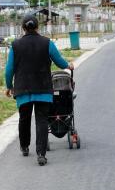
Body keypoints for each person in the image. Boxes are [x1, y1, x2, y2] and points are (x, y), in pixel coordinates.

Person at [5, 14, 74, 166]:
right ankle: (41, 154)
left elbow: (9, 70)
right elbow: (59, 61)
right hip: (43, 88)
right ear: (37, 27)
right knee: (42, 120)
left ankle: (24, 147)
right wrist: (68, 65)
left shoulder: (15, 45)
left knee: (24, 118)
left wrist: (9, 86)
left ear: (22, 28)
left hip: (23, 89)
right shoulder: (47, 43)